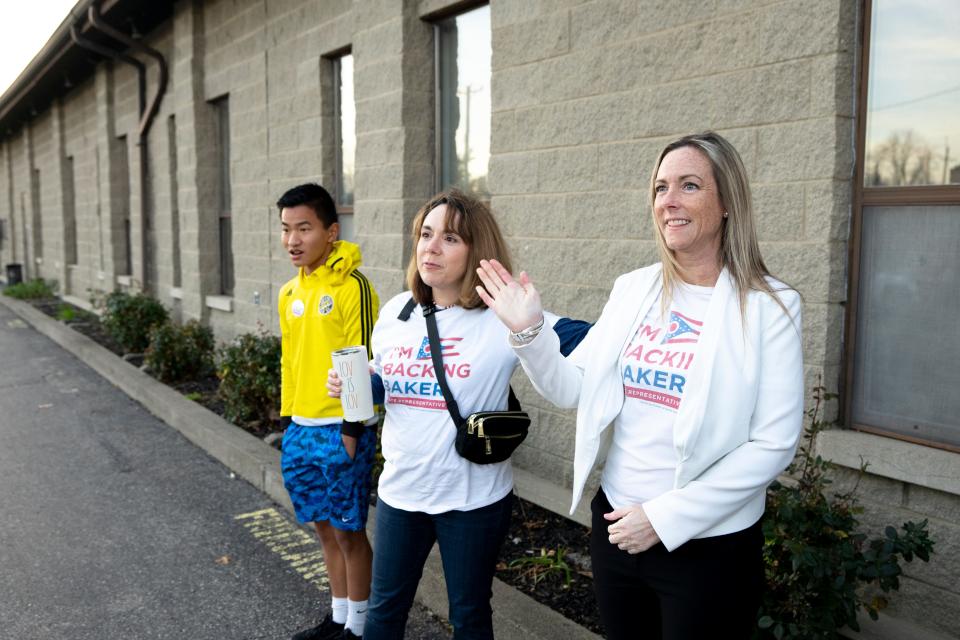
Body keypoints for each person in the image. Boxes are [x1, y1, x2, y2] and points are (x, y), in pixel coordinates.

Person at [476, 132, 804, 640]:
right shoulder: (634, 289)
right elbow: (573, 389)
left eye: (688, 186)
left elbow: (774, 443)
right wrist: (529, 333)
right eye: (659, 188)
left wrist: (664, 517)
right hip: (618, 529)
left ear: (726, 204)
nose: (668, 201)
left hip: (706, 545)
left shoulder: (770, 306)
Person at [328, 189, 555, 640]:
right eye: (425, 234)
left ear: (477, 250)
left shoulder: (501, 316)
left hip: (473, 499)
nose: (430, 247)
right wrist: (358, 385)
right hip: (402, 491)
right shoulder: (397, 312)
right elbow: (387, 379)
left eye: (450, 238)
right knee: (384, 612)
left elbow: (584, 340)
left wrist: (530, 323)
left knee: (469, 616)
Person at [277, 183, 380, 640]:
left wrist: (353, 430)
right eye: (286, 229)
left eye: (305, 228)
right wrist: (287, 424)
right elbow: (289, 361)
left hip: (342, 430)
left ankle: (359, 628)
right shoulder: (288, 293)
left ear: (331, 231)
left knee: (349, 532)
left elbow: (363, 357)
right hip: (301, 429)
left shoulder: (351, 285)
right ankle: (337, 618)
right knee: (323, 530)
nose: (293, 240)